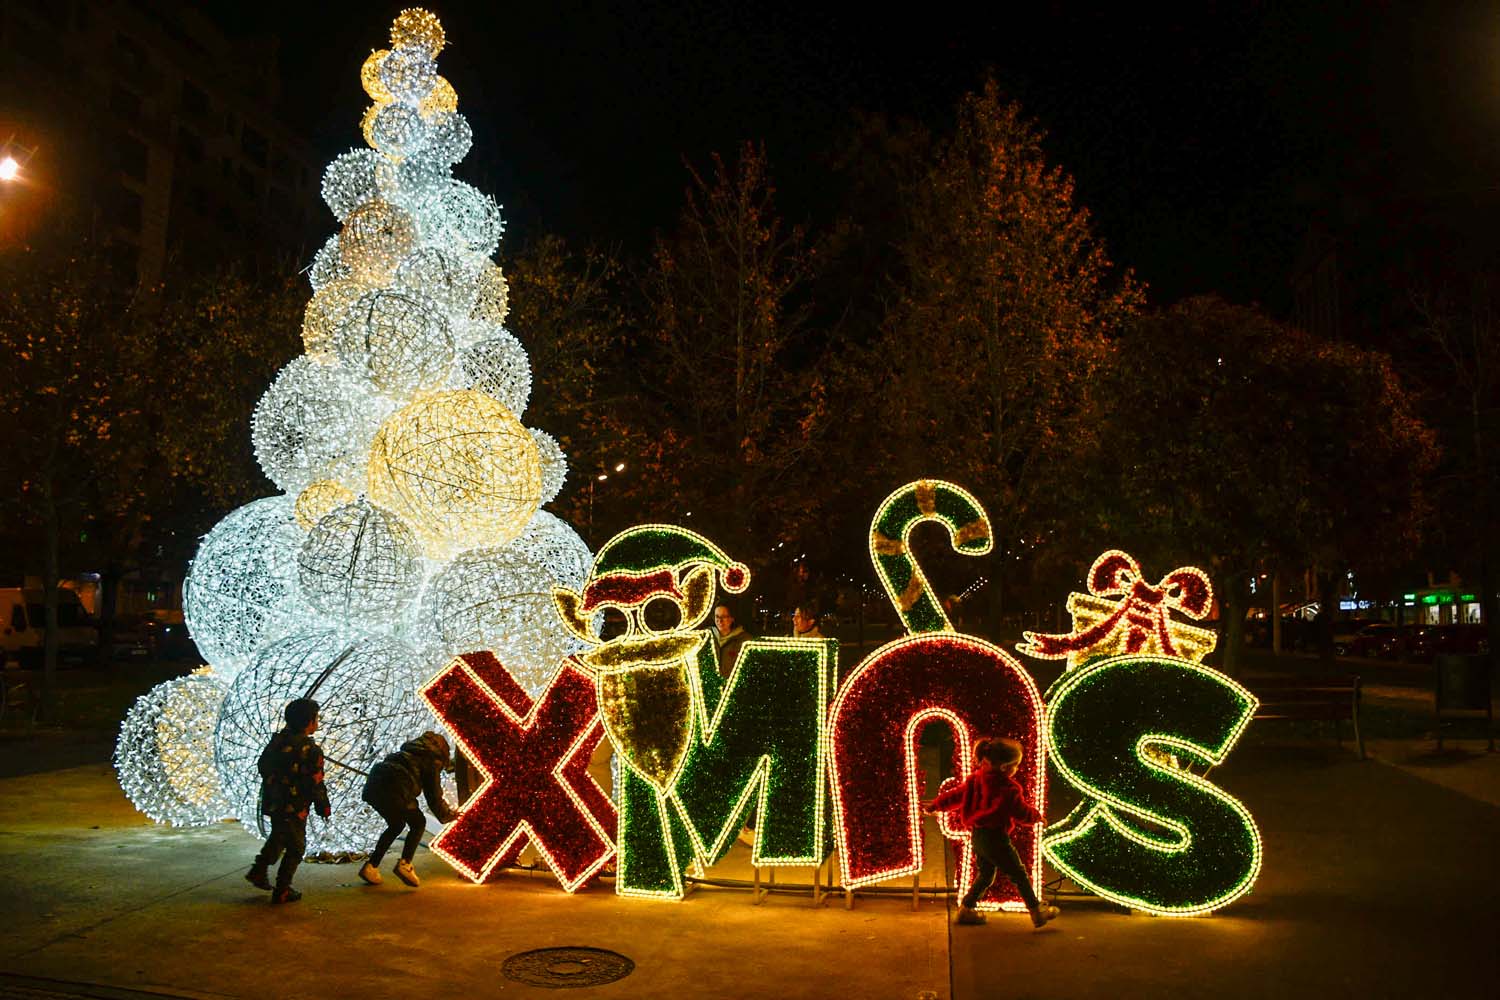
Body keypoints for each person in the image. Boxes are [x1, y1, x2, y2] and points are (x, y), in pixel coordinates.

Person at [922, 736, 1059, 929]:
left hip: (978, 836)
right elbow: (1020, 811)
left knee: (986, 874)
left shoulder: (975, 779)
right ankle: (1037, 912)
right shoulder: (1008, 788)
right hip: (996, 838)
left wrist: (936, 804)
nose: (1016, 770)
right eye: (1015, 766)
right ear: (1004, 767)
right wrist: (1036, 816)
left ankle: (966, 909)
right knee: (1018, 874)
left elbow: (956, 796)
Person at [246, 698, 330, 904]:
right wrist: (323, 806)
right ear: (309, 722)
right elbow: (316, 782)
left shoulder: (277, 741)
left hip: (274, 801)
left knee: (279, 836)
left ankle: (259, 869)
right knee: (296, 847)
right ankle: (282, 889)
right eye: (316, 719)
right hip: (295, 806)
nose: (317, 723)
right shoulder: (311, 750)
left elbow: (262, 766)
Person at [358, 731, 459, 888]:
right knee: (418, 822)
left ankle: (371, 866)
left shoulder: (405, 753)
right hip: (397, 789)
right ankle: (405, 864)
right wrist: (447, 815)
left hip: (373, 787)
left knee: (396, 824)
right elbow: (433, 795)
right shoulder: (431, 761)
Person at [712, 604, 751, 677]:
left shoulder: (744, 640)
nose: (720, 621)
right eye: (717, 616)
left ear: (732, 618)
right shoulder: (708, 636)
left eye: (724, 617)